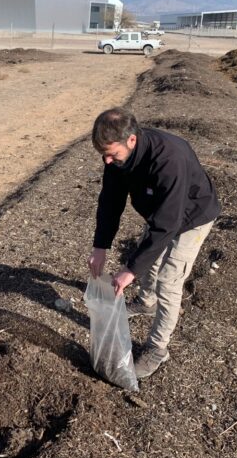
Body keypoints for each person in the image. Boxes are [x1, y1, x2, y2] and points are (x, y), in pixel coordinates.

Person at [87, 107, 220, 379]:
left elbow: (168, 224)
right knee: (148, 258)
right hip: (160, 210)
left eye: (112, 153)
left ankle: (158, 348)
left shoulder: (169, 158)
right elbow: (111, 201)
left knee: (168, 279)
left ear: (132, 140)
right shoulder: (117, 160)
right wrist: (101, 246)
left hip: (191, 215)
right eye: (104, 154)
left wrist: (130, 270)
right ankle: (146, 303)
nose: (108, 161)